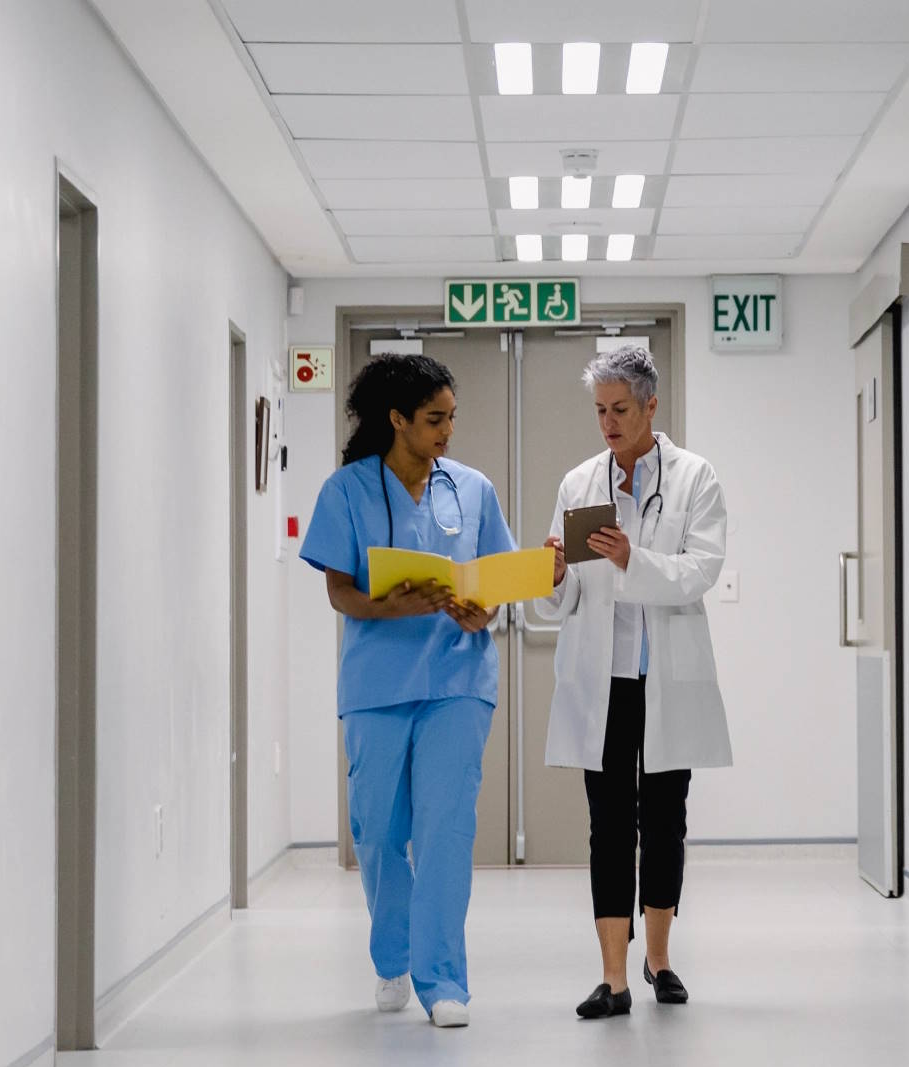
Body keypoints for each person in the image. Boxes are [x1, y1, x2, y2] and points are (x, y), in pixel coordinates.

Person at [299, 354, 516, 1029]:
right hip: (377, 684)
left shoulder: (473, 488)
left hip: (458, 679)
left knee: (445, 830)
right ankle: (393, 959)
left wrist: (487, 610)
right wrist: (402, 604)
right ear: (397, 420)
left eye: (452, 417)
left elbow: (497, 580)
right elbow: (340, 591)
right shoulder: (346, 491)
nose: (448, 431)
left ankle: (443, 980)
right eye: (434, 420)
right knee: (378, 832)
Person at [533, 345, 732, 1020]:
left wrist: (631, 558)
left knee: (665, 821)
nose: (608, 423)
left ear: (651, 405)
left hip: (666, 673)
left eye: (620, 409)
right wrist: (554, 577)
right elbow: (556, 597)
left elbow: (699, 570)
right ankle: (614, 978)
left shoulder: (695, 478)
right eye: (599, 411)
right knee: (608, 825)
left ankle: (661, 958)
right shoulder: (578, 484)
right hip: (604, 676)